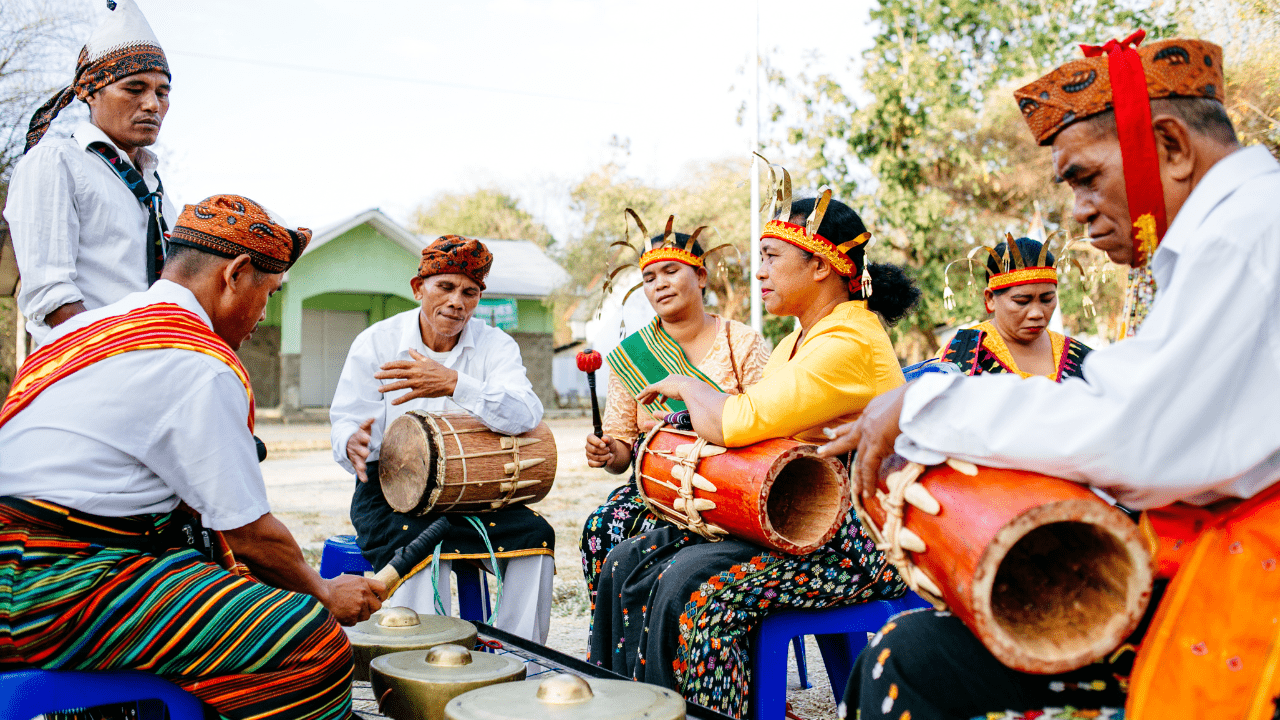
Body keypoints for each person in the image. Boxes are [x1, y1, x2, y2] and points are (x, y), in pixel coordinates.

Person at [821, 33, 1280, 720]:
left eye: (1086, 176)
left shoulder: (1248, 234)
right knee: (911, 650)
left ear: (1173, 147)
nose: (1080, 210)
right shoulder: (1236, 230)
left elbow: (1134, 437)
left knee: (908, 661)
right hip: (1206, 550)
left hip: (1252, 579)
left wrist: (925, 403)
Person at [0, 194, 382, 720]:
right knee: (310, 639)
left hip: (22, 566)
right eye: (268, 292)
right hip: (50, 589)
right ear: (236, 273)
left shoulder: (86, 329)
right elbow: (249, 532)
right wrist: (322, 592)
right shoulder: (196, 358)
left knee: (218, 578)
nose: (263, 315)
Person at [588, 179, 922, 718]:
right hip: (801, 514)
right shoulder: (799, 338)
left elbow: (740, 422)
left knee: (698, 595)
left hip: (854, 538)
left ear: (818, 266)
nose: (759, 271)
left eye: (771, 257)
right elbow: (762, 425)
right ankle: (626, 706)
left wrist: (690, 387)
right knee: (629, 560)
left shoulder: (848, 340)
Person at [331, 235, 555, 644]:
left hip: (474, 492)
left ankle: (516, 654)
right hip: (390, 490)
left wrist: (455, 384)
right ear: (419, 289)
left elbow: (526, 413)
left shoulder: (495, 345)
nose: (457, 302)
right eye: (445, 287)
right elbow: (346, 420)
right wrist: (351, 443)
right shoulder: (377, 342)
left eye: (469, 292)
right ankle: (419, 660)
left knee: (535, 536)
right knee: (412, 545)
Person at [580, 216, 770, 610]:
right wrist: (606, 452)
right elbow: (622, 452)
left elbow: (768, 422)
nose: (660, 283)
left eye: (671, 271)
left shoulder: (743, 342)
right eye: (649, 277)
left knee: (675, 551)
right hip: (656, 492)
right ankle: (620, 657)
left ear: (700, 277)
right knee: (602, 527)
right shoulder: (631, 358)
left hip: (729, 488)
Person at [5, 0, 177, 346]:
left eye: (162, 92)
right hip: (84, 372)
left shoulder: (155, 188)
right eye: (134, 88)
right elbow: (52, 298)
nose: (152, 105)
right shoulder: (55, 162)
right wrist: (118, 359)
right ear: (91, 92)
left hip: (148, 367)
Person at [940, 236, 1091, 380]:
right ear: (990, 298)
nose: (1036, 313)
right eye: (1022, 301)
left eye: (1047, 299)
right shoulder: (963, 353)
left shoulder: (1080, 357)